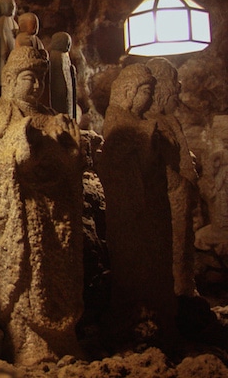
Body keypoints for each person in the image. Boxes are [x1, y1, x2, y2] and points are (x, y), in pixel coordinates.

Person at [0, 46, 84, 365]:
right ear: (10, 81)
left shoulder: (52, 116)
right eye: (29, 78)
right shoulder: (0, 118)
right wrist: (23, 143)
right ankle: (27, 340)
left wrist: (68, 145)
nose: (36, 85)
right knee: (28, 274)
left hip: (54, 214)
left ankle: (62, 338)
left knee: (57, 275)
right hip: (22, 212)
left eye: (41, 78)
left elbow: (72, 164)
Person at [97, 63, 177, 347]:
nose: (149, 98)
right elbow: (116, 163)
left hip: (152, 205)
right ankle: (136, 316)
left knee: (156, 257)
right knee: (134, 262)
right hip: (129, 209)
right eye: (145, 91)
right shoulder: (117, 121)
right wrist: (145, 137)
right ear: (129, 92)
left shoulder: (140, 121)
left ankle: (161, 313)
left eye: (152, 92)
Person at [145, 57, 198, 298]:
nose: (179, 88)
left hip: (181, 197)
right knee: (170, 249)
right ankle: (175, 293)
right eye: (174, 82)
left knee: (183, 248)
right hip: (168, 199)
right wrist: (179, 184)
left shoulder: (170, 120)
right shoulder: (151, 124)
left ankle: (185, 288)